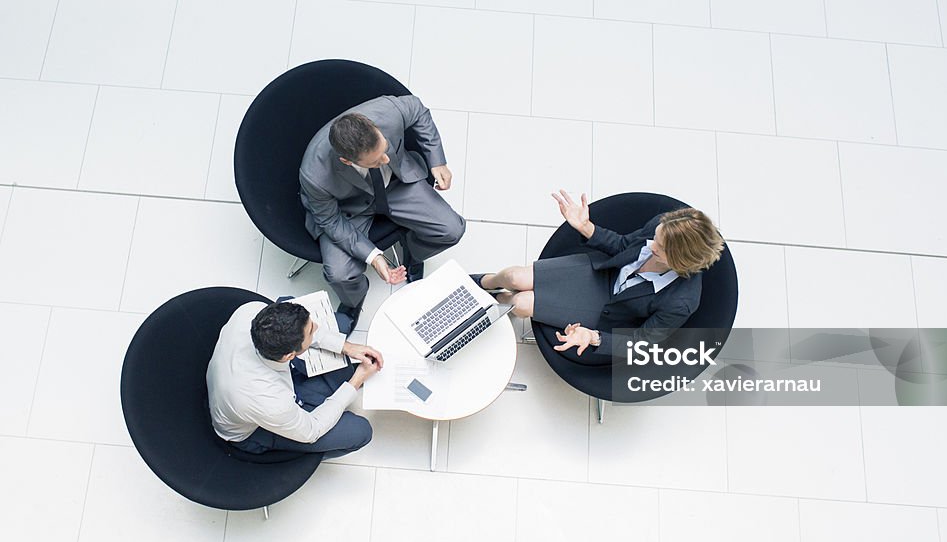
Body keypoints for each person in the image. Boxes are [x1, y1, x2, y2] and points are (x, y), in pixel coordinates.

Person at [474, 190, 724, 363]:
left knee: (520, 303)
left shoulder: (680, 301)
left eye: (658, 248)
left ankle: (488, 304)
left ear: (679, 261)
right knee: (514, 276)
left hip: (608, 311)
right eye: (655, 237)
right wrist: (585, 226)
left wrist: (593, 337)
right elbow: (623, 245)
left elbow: (642, 344)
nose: (651, 245)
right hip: (600, 275)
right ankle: (480, 284)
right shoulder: (662, 227)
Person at [299, 94, 466, 329]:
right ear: (347, 162)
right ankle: (353, 302)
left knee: (452, 229)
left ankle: (413, 250)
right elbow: (330, 220)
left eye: (384, 149)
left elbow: (419, 110)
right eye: (376, 161)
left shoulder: (388, 111)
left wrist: (437, 161)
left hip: (397, 184)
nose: (386, 159)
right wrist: (374, 257)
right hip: (349, 207)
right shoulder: (315, 176)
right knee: (339, 275)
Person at [206, 300, 383, 459]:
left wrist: (346, 347)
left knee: (340, 327)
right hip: (253, 429)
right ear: (289, 355)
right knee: (359, 431)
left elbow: (299, 329)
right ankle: (300, 456)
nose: (316, 327)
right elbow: (312, 430)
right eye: (311, 331)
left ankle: (320, 394)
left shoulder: (251, 311)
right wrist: (356, 380)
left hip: (259, 389)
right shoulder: (271, 402)